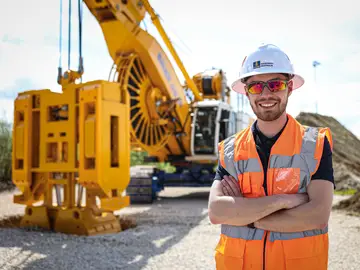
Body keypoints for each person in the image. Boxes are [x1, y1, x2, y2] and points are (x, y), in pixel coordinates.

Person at [208, 43, 335, 270]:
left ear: (290, 88)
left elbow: (317, 216)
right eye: (256, 86)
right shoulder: (230, 150)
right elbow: (217, 212)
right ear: (246, 91)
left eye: (275, 84)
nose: (266, 94)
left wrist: (243, 213)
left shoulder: (315, 144)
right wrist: (285, 201)